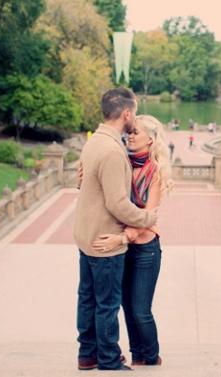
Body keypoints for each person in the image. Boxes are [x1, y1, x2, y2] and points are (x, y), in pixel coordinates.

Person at [73, 88, 156, 371]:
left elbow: (88, 182)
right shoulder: (111, 149)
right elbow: (118, 204)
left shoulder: (94, 141)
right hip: (105, 240)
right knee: (107, 304)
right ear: (127, 113)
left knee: (87, 298)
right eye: (135, 112)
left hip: (86, 237)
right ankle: (108, 360)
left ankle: (87, 353)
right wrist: (148, 218)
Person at [84, 115, 173, 366]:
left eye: (136, 132)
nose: (130, 136)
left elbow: (148, 216)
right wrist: (81, 178)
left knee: (141, 310)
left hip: (145, 248)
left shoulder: (155, 172)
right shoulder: (119, 160)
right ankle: (137, 358)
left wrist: (123, 236)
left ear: (151, 139)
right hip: (121, 248)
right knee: (125, 308)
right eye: (129, 132)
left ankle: (152, 358)